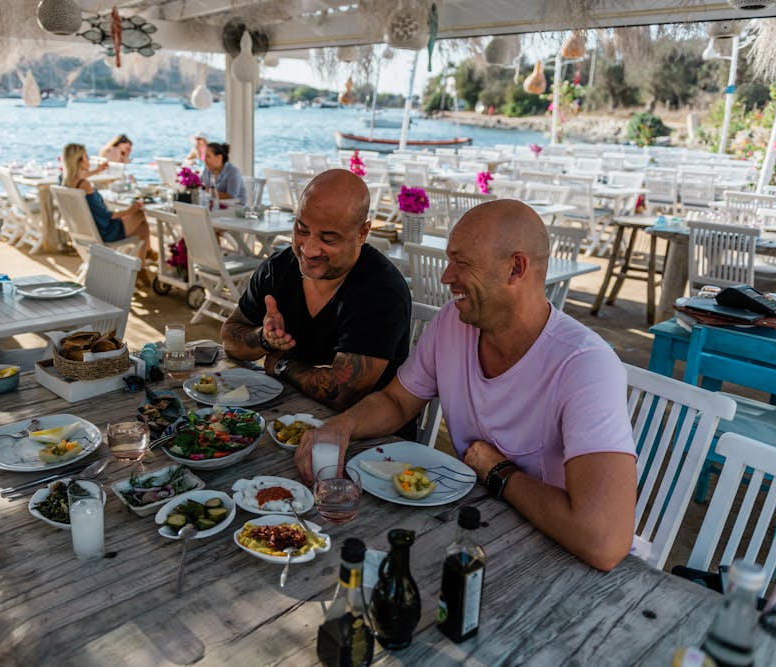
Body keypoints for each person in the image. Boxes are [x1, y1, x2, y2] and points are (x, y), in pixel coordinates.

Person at [294, 200, 637, 572]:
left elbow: (604, 540)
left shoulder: (585, 365)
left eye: (463, 262)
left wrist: (499, 472)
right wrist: (342, 426)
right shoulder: (451, 324)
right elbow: (397, 401)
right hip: (472, 530)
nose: (445, 276)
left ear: (515, 268)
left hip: (557, 560)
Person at [221, 169, 411, 412]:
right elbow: (228, 339)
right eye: (301, 230)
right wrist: (265, 339)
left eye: (328, 239)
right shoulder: (278, 268)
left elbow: (343, 393)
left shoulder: (381, 292)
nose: (309, 250)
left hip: (368, 437)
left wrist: (282, 364)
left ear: (362, 233)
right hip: (288, 414)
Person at [60, 143, 155, 266]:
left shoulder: (66, 181)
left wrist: (96, 171)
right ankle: (142, 262)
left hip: (86, 233)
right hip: (104, 232)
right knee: (140, 214)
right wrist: (131, 209)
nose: (88, 159)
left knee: (143, 228)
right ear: (79, 161)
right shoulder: (85, 185)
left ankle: (142, 263)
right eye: (86, 157)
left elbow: (79, 177)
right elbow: (106, 216)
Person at [201, 142, 246, 206]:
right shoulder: (207, 170)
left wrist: (206, 190)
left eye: (208, 156)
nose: (204, 160)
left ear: (219, 158)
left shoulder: (233, 172)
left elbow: (231, 196)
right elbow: (200, 186)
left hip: (234, 208)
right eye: (204, 156)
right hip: (215, 206)